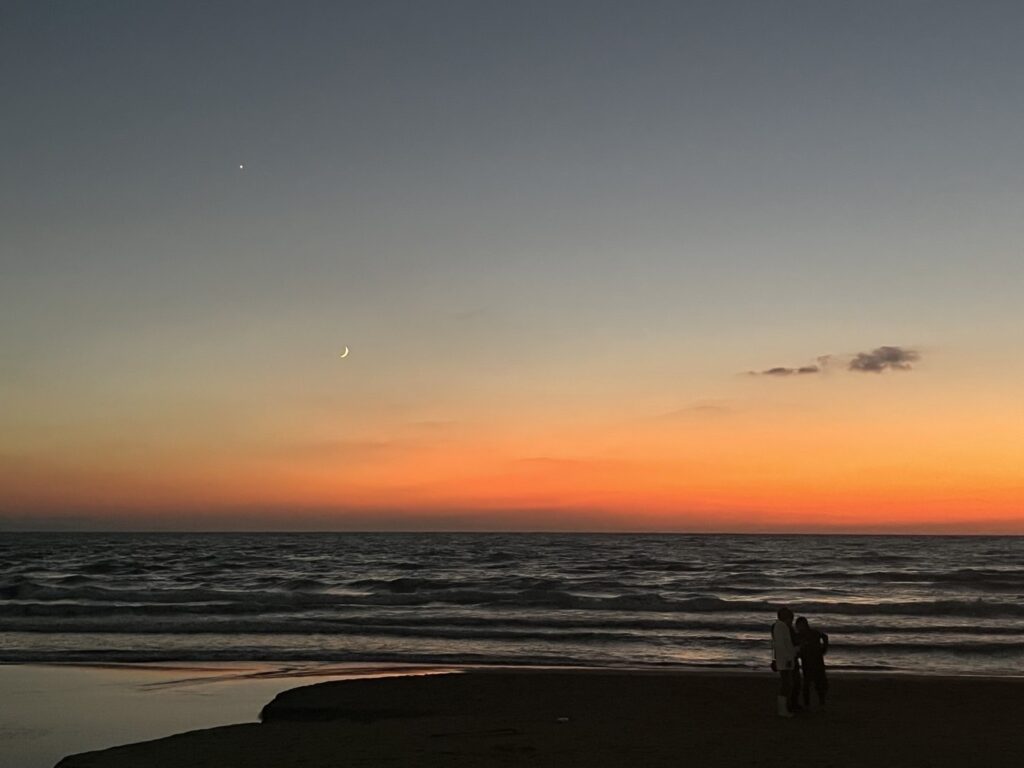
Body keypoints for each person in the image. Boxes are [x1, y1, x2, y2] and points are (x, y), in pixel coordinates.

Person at [795, 616, 829, 708]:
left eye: (798, 626)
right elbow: (825, 637)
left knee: (818, 683)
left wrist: (824, 649)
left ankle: (820, 702)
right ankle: (809, 704)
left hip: (815, 661)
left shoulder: (813, 633)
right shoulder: (802, 635)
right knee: (809, 684)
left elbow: (825, 637)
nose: (798, 628)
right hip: (808, 661)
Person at [770, 607, 797, 717]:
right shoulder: (781, 627)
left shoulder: (781, 627)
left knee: (787, 683)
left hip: (785, 659)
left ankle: (784, 708)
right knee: (786, 684)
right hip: (785, 660)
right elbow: (781, 645)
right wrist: (789, 658)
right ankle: (782, 710)